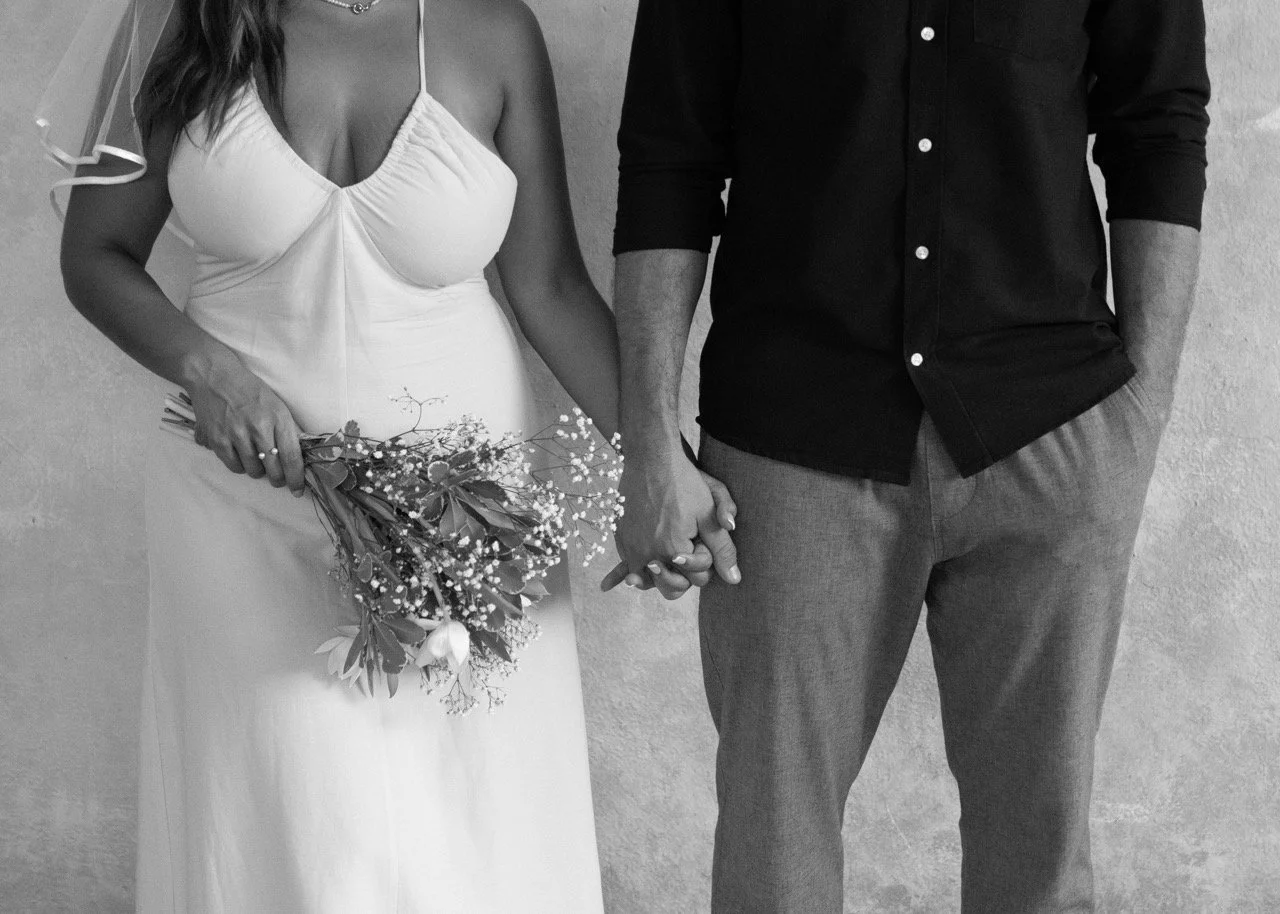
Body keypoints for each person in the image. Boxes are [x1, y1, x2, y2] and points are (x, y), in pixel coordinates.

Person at [43, 0, 734, 909]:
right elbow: (95, 252)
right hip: (240, 506)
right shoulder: (191, 24)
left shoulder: (493, 34)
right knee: (293, 817)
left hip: (472, 513)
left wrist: (660, 463)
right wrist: (205, 371)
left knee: (471, 817)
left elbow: (551, 287)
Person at [609, 0, 1210, 910]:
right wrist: (649, 443)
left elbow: (1158, 125)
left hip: (1049, 428)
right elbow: (669, 158)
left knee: (1037, 860)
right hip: (793, 441)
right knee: (773, 853)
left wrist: (1144, 406)